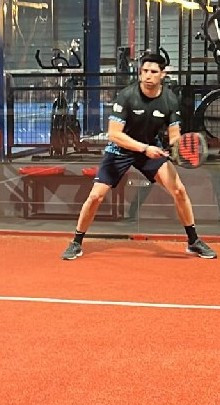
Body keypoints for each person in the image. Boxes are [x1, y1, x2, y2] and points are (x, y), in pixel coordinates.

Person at [62, 53, 217, 260]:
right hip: (121, 150)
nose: (148, 76)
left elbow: (174, 135)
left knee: (179, 190)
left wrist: (176, 148)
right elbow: (114, 134)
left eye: (153, 71)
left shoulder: (170, 100)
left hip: (150, 149)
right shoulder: (127, 96)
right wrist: (144, 148)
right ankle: (76, 242)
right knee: (96, 196)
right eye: (144, 71)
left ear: (163, 74)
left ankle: (193, 241)